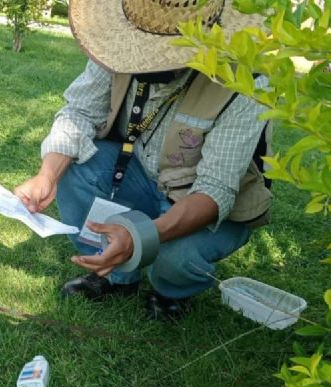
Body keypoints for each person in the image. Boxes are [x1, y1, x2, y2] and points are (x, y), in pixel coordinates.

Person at [14, 0, 272, 320]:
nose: (142, 58)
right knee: (75, 170)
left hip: (200, 201)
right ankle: (117, 275)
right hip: (138, 173)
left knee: (176, 261)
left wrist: (141, 236)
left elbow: (215, 190)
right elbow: (79, 114)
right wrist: (47, 176)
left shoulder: (245, 83)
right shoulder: (117, 47)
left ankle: (170, 291)